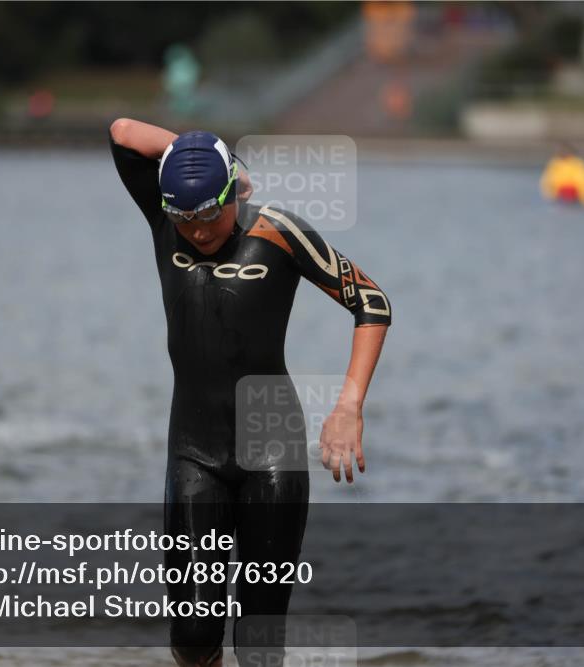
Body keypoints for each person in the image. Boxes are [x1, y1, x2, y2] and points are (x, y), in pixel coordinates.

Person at [110, 119, 391, 667]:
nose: (197, 231)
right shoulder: (164, 216)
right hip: (194, 449)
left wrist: (349, 407)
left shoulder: (279, 232)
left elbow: (372, 302)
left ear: (232, 194)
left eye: (209, 214)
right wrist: (195, 152)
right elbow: (121, 130)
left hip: (273, 451)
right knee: (193, 637)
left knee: (259, 642)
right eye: (183, 219)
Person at [540, 142, 584, 208]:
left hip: (576, 197)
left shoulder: (578, 164)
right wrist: (549, 196)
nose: (564, 152)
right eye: (562, 150)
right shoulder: (555, 163)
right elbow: (547, 180)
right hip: (559, 197)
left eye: (566, 150)